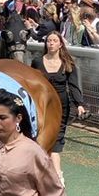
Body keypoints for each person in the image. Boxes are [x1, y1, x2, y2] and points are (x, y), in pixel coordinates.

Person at [30, 31, 89, 185]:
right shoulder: (37, 62)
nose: (51, 43)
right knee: (40, 137)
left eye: (54, 40)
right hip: (41, 105)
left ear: (60, 44)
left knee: (57, 138)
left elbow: (74, 86)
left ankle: (57, 176)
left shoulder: (68, 64)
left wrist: (80, 105)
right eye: (49, 40)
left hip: (61, 106)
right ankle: (43, 174)